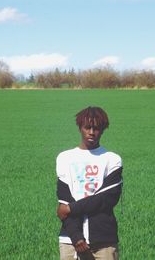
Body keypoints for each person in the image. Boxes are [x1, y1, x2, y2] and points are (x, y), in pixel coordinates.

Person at [56, 106, 123, 260]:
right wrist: (76, 237)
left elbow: (106, 199)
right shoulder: (65, 158)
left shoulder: (112, 159)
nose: (91, 132)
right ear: (80, 127)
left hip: (104, 240)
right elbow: (64, 199)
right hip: (70, 241)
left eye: (97, 128)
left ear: (103, 130)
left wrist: (70, 208)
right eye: (87, 127)